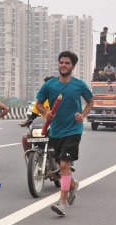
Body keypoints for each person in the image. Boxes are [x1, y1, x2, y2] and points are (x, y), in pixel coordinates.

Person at [36, 51, 94, 216]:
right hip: (56, 130)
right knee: (62, 167)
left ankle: (62, 203)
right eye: (61, 62)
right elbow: (39, 103)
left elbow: (90, 101)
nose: (63, 65)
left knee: (63, 165)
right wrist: (45, 112)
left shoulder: (79, 85)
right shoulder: (50, 85)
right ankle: (72, 185)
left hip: (73, 130)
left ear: (73, 66)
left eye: (67, 63)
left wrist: (82, 115)